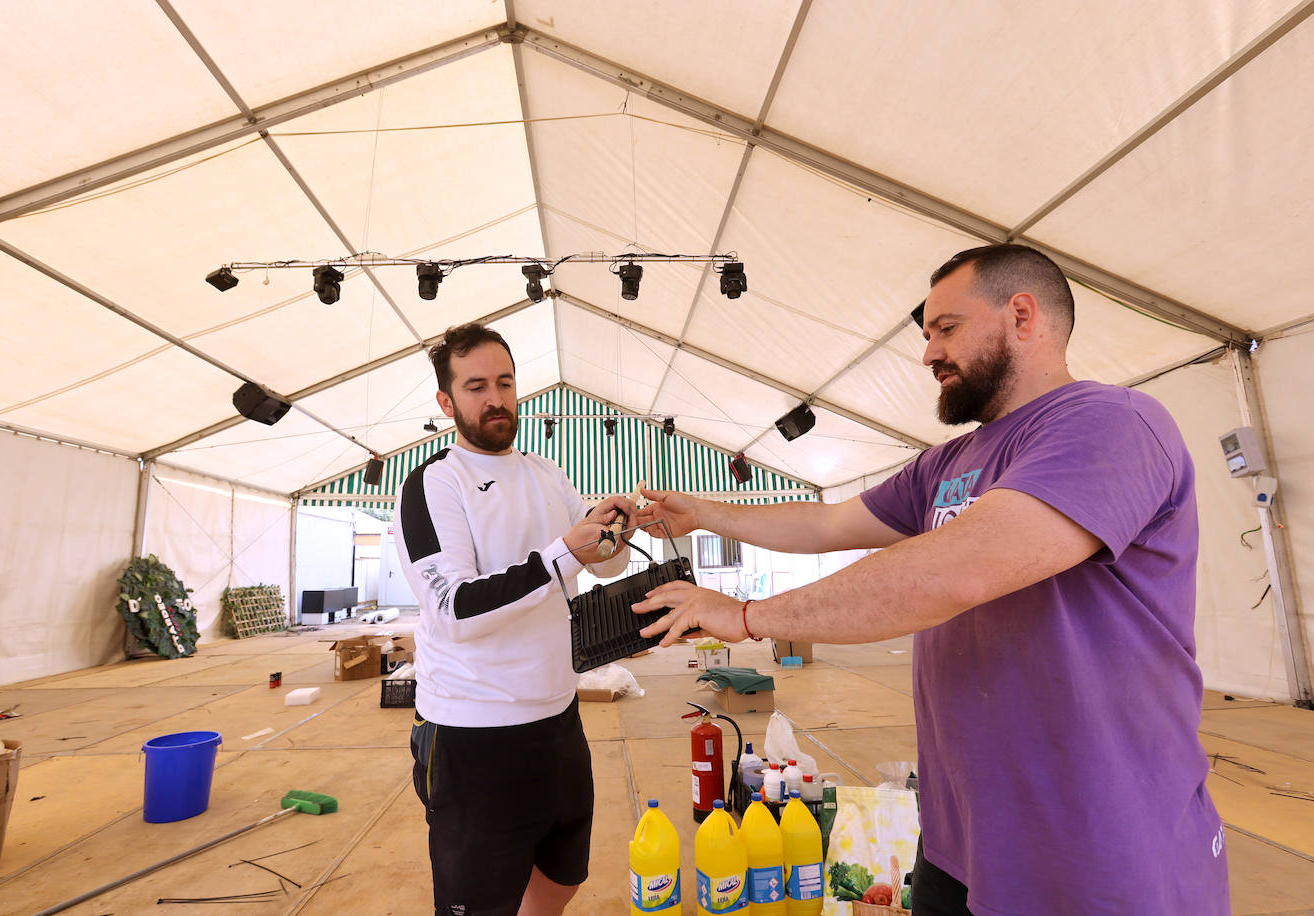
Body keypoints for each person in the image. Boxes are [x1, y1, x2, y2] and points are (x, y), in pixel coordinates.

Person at [633, 244, 1229, 915]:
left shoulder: (1112, 423)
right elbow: (828, 525)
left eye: (946, 328)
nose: (927, 353)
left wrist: (744, 617)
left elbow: (954, 571)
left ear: (1022, 316)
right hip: (960, 844)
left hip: (1095, 851)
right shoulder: (945, 464)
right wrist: (703, 513)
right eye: (926, 335)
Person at [397, 322, 638, 916]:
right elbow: (454, 609)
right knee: (478, 904)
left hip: (557, 718)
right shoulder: (434, 483)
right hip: (472, 732)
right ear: (446, 401)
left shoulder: (543, 472)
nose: (495, 398)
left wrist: (616, 527)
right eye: (476, 385)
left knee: (562, 875)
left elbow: (603, 563)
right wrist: (565, 553)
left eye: (504, 382)